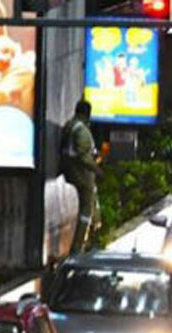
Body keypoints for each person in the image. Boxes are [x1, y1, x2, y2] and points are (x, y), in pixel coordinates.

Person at [61, 99, 104, 255]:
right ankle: (78, 247)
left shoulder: (69, 126)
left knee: (92, 204)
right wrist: (97, 169)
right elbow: (82, 156)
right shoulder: (82, 130)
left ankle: (91, 238)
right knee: (86, 211)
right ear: (88, 114)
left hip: (70, 172)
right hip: (82, 174)